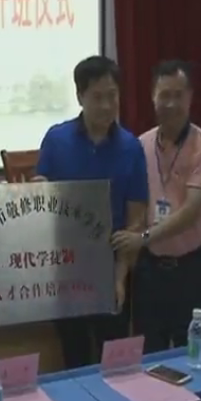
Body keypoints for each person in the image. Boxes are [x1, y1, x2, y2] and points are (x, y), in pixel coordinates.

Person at [34, 55, 148, 368]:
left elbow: (136, 218)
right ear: (79, 96)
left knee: (114, 362)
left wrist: (119, 278)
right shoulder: (56, 140)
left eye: (112, 96)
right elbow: (41, 202)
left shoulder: (131, 148)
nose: (107, 106)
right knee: (74, 358)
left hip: (110, 270)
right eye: (97, 97)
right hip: (65, 270)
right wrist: (37, 190)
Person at [112, 61, 201, 352]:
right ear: (153, 97)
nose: (171, 104)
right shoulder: (140, 145)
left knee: (195, 354)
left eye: (178, 95)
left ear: (190, 97)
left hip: (191, 269)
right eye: (164, 95)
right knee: (149, 355)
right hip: (150, 271)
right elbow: (135, 205)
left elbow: (190, 213)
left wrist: (143, 237)